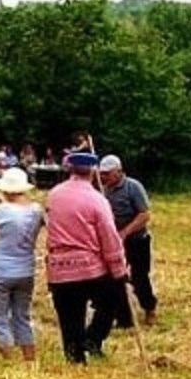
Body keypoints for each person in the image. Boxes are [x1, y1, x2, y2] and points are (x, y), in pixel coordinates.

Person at [45, 152, 129, 364]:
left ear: (70, 169)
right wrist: (119, 270)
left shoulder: (54, 195)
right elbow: (109, 237)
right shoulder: (97, 200)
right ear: (93, 172)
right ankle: (92, 337)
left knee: (69, 317)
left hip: (59, 269)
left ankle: (75, 357)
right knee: (111, 300)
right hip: (90, 269)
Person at [0, 168, 44, 361]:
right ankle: (30, 361)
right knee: (22, 316)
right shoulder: (36, 210)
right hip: (26, 270)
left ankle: (9, 362)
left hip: (0, 271)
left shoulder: (2, 210)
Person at [99, 155, 158, 326]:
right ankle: (124, 318)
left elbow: (144, 215)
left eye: (107, 174)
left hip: (137, 240)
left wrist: (125, 232)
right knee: (115, 279)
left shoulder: (133, 187)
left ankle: (149, 308)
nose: (103, 177)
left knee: (139, 278)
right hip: (113, 242)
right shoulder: (102, 190)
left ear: (118, 172)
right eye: (101, 174)